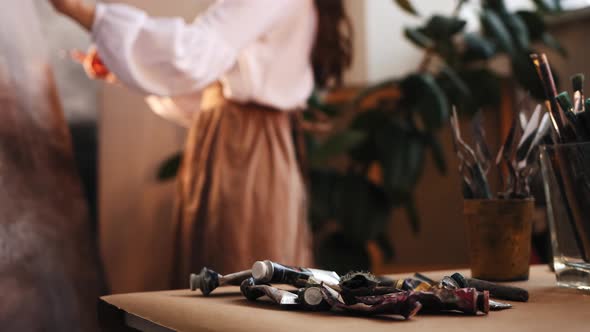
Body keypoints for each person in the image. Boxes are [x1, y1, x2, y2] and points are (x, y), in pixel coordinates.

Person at [48, 0, 352, 290]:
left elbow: (192, 53)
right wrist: (126, 68)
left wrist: (86, 14)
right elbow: (209, 91)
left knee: (237, 277)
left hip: (244, 156)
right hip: (243, 147)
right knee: (230, 275)